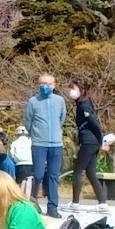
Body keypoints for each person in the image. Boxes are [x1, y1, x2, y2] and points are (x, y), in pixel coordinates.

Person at [24, 73, 67, 217]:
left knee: (54, 175)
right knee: (38, 174)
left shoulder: (60, 100)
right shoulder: (33, 101)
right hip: (39, 143)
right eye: (42, 84)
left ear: (54, 86)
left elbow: (62, 118)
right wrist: (36, 135)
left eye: (48, 84)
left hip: (56, 144)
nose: (45, 86)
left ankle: (52, 207)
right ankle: (33, 203)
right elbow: (28, 122)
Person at [67, 80, 107, 205]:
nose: (71, 92)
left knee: (78, 171)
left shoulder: (84, 105)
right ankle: (102, 202)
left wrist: (101, 141)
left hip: (89, 142)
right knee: (91, 173)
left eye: (73, 89)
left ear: (81, 90)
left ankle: (75, 202)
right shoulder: (82, 103)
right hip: (92, 142)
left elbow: (94, 124)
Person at [10, 125, 34, 195]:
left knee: (20, 182)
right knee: (29, 182)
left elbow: (12, 154)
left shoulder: (14, 143)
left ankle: (20, 195)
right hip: (31, 163)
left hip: (20, 164)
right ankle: (29, 195)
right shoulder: (31, 142)